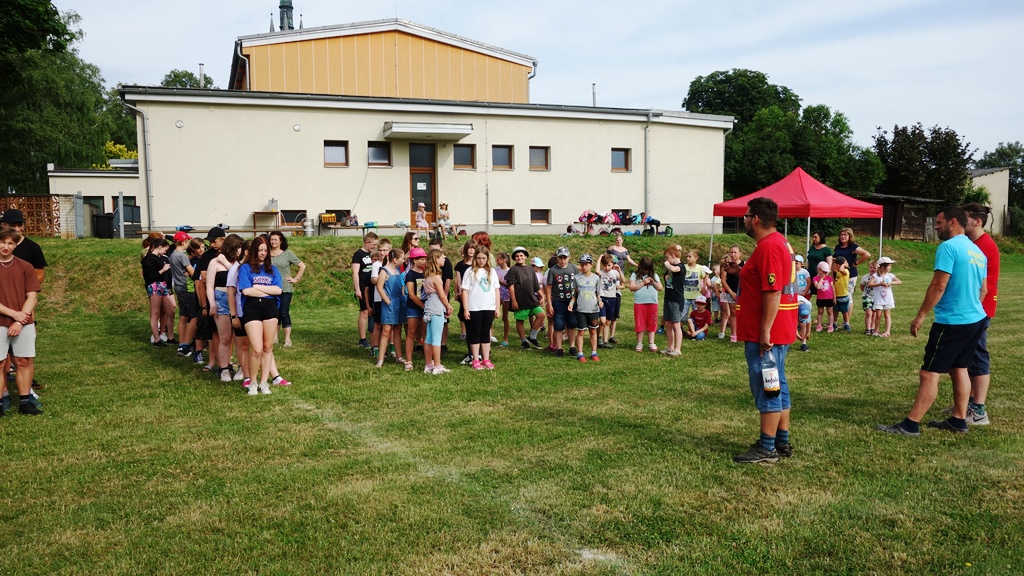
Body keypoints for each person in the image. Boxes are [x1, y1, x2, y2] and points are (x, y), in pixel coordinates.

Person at [877, 207, 988, 436]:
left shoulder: (948, 247)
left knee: (929, 373)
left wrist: (920, 316)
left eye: (939, 222)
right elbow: (984, 289)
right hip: (976, 318)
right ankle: (958, 420)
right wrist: (970, 309)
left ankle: (911, 425)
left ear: (953, 221)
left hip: (953, 322)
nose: (936, 227)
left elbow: (938, 285)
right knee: (960, 368)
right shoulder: (977, 251)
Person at [732, 197, 798, 464]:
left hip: (769, 331)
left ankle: (767, 447)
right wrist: (740, 271)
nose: (745, 220)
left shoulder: (769, 246)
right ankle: (781, 441)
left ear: (756, 219)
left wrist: (765, 331)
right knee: (778, 383)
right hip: (779, 327)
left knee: (767, 383)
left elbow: (773, 291)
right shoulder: (779, 242)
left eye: (746, 216)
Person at [945, 202, 1000, 425]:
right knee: (965, 358)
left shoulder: (985, 246)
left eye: (964, 217)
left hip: (978, 310)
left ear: (977, 221)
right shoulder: (972, 243)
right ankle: (966, 404)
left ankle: (979, 410)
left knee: (978, 358)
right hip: (971, 310)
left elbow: (983, 286)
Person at [0, 228, 42, 415]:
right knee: (0, 363)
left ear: (16, 245)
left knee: (23, 360)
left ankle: (25, 401)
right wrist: (13, 315)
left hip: (23, 322)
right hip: (1, 321)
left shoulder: (25, 267)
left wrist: (19, 320)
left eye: (10, 243)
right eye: (2, 242)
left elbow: (32, 296)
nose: (5, 246)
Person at [238, 236, 284, 395]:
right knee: (256, 349)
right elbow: (246, 291)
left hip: (270, 309)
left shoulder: (273, 269)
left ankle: (264, 382)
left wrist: (256, 286)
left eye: (265, 250)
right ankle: (253, 382)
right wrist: (267, 290)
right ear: (254, 251)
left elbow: (278, 290)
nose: (263, 253)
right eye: (259, 250)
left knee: (267, 347)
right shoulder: (245, 268)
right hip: (252, 309)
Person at [207, 234, 243, 381]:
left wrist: (227, 264)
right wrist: (212, 304)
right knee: (225, 337)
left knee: (240, 338)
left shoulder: (239, 263)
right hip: (221, 299)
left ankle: (242, 368)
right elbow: (209, 286)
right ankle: (224, 369)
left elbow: (238, 277)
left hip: (237, 299)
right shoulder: (214, 262)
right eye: (239, 247)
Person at [462, 246, 499, 369]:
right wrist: (466, 309)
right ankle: (475, 359)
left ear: (487, 258)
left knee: (486, 333)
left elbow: (496, 290)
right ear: (475, 258)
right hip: (474, 307)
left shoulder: (492, 272)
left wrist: (497, 307)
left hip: (489, 307)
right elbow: (465, 291)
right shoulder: (470, 271)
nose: (481, 261)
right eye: (478, 258)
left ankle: (486, 359)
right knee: (475, 333)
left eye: (483, 258)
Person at [269, 231, 305, 348]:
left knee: (283, 312)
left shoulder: (287, 254)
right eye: (272, 239)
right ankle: (274, 337)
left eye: (276, 239)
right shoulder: (266, 254)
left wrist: (296, 279)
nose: (273, 241)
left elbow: (302, 266)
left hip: (285, 288)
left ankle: (287, 339)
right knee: (274, 313)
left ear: (280, 241)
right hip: (270, 287)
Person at [505, 247, 545, 350]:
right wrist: (514, 301)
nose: (519, 258)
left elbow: (536, 285)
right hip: (520, 300)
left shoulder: (531, 269)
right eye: (517, 256)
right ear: (514, 258)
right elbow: (511, 286)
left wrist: (542, 296)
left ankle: (532, 337)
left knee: (541, 315)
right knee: (520, 320)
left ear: (526, 256)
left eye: (521, 255)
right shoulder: (513, 270)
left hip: (531, 298)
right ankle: (523, 341)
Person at [421, 249, 453, 374]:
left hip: (429, 307)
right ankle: (437, 365)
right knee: (436, 338)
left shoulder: (428, 276)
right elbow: (442, 295)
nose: (444, 259)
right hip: (436, 307)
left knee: (428, 338)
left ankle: (429, 364)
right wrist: (448, 306)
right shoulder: (437, 277)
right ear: (436, 259)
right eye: (442, 257)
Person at [375, 248, 407, 368]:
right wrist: (387, 301)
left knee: (398, 329)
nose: (403, 260)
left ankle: (399, 356)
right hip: (389, 303)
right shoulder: (384, 271)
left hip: (399, 302)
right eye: (402, 258)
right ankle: (380, 358)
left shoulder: (398, 270)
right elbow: (379, 287)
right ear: (395, 259)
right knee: (386, 330)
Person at [545, 246, 579, 358]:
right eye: (560, 258)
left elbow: (577, 285)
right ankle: (559, 348)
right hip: (558, 301)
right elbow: (549, 287)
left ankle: (572, 346)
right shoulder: (553, 270)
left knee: (571, 324)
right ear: (557, 258)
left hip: (571, 301)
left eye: (565, 257)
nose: (563, 260)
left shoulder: (573, 268)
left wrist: (576, 299)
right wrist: (549, 304)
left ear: (569, 257)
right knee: (558, 324)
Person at [141, 233, 173, 347]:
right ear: (159, 247)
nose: (165, 252)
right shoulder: (149, 259)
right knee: (155, 313)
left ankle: (168, 336)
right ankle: (156, 339)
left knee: (170, 311)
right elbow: (150, 276)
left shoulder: (159, 258)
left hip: (162, 285)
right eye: (164, 250)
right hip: (154, 286)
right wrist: (163, 270)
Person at [169, 231, 198, 357]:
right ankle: (186, 345)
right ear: (183, 242)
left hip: (179, 287)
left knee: (183, 316)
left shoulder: (173, 255)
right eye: (188, 241)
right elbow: (193, 273)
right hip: (187, 288)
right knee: (195, 316)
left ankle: (181, 344)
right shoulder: (182, 256)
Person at [569, 254, 601, 362]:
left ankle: (594, 352)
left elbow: (598, 294)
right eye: (582, 264)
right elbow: (575, 294)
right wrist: (571, 303)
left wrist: (600, 301)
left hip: (593, 309)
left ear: (591, 265)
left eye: (586, 264)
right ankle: (580, 353)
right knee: (581, 332)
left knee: (593, 331)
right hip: (581, 309)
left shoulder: (596, 278)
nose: (583, 267)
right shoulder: (577, 278)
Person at [629, 256, 662, 352]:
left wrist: (653, 282)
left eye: (648, 269)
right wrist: (643, 283)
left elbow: (660, 288)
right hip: (639, 303)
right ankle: (639, 343)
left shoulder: (654, 275)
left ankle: (652, 342)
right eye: (644, 269)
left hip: (652, 303)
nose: (646, 271)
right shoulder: (635, 275)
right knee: (640, 323)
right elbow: (631, 287)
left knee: (652, 322)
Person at [351, 232, 378, 348]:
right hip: (363, 286)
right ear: (367, 242)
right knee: (364, 311)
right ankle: (362, 339)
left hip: (373, 286)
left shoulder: (373, 254)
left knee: (373, 310)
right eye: (373, 244)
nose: (375, 247)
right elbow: (355, 273)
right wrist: (357, 289)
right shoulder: (358, 254)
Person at [404, 247, 428, 372]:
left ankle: (429, 360)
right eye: (421, 259)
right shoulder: (410, 275)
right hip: (413, 308)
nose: (424, 261)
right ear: (414, 260)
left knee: (425, 333)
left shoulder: (425, 273)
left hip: (426, 307)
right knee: (411, 333)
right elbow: (411, 294)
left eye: (425, 259)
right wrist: (422, 306)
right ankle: (408, 361)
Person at [867, 257, 901, 338]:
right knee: (878, 315)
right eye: (889, 266)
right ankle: (876, 330)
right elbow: (870, 284)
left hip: (888, 299)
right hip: (878, 299)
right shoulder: (875, 276)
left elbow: (899, 281)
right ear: (882, 266)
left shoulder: (890, 275)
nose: (890, 267)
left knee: (887, 315)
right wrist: (880, 284)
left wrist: (890, 283)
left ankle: (887, 331)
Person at [661, 246, 686, 357]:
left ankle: (677, 349)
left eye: (667, 257)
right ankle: (670, 347)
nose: (666, 260)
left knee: (676, 324)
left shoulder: (680, 267)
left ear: (673, 256)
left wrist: (667, 264)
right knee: (668, 323)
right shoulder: (670, 267)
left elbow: (675, 269)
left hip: (676, 300)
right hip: (668, 298)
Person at [833, 228, 871, 296]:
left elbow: (867, 254)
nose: (843, 237)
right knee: (838, 294)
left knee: (847, 295)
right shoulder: (838, 247)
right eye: (841, 235)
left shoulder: (853, 247)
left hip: (849, 274)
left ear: (850, 236)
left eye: (845, 235)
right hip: (838, 274)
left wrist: (856, 263)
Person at [597, 254, 622, 348]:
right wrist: (599, 258)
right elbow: (596, 271)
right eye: (605, 265)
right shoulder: (601, 272)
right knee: (602, 320)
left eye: (609, 265)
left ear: (612, 264)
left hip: (612, 299)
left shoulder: (615, 273)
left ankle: (605, 341)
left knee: (608, 322)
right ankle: (599, 336)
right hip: (602, 298)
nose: (607, 267)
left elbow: (623, 280)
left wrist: (619, 271)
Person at [721, 245, 744, 342]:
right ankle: (734, 333)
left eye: (735, 252)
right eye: (731, 252)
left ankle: (742, 332)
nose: (733, 254)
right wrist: (731, 292)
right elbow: (723, 280)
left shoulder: (745, 264)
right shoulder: (726, 265)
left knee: (743, 313)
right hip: (731, 291)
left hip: (743, 291)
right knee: (733, 312)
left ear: (740, 253)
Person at [813, 261, 835, 333]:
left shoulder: (829, 278)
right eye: (823, 271)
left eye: (826, 272)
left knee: (830, 311)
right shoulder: (816, 278)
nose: (825, 274)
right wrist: (821, 279)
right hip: (821, 298)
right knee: (820, 311)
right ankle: (819, 325)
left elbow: (832, 287)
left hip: (829, 297)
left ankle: (830, 325)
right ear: (819, 270)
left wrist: (834, 297)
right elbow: (818, 287)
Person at [495, 251, 511, 346]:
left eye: (498, 259)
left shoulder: (510, 271)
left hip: (506, 296)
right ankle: (489, 336)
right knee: (492, 315)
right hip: (496, 295)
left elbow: (510, 285)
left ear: (504, 260)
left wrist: (500, 282)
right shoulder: (496, 269)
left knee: (505, 317)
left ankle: (506, 339)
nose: (496, 261)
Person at [832, 256, 852, 331]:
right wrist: (834, 260)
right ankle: (834, 323)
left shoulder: (846, 271)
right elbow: (833, 268)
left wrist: (844, 264)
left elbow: (841, 269)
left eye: (835, 264)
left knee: (844, 311)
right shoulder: (838, 272)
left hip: (843, 295)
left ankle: (846, 324)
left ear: (838, 265)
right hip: (836, 295)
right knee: (835, 310)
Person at [860, 260, 878, 335]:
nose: (872, 269)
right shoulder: (865, 277)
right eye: (871, 267)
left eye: (874, 268)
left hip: (876, 297)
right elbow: (862, 286)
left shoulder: (878, 277)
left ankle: (872, 328)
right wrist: (865, 293)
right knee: (868, 313)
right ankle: (868, 328)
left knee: (874, 314)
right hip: (867, 296)